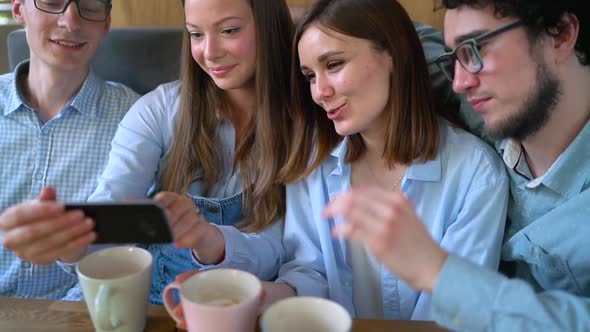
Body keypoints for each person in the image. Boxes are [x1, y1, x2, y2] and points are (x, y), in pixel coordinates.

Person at [314, 0, 589, 330]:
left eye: (477, 47)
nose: (460, 82)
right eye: (456, 55)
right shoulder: (476, 102)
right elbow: (394, 40)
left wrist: (437, 271)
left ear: (560, 35)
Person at [0, 0, 294, 304]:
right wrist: (70, 240)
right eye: (195, 34)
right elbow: (114, 204)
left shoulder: (305, 123)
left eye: (229, 30)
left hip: (244, 305)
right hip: (155, 303)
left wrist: (212, 241)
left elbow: (287, 248)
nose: (210, 52)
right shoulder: (158, 109)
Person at [240, 0, 508, 321]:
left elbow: (453, 312)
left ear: (392, 54)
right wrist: (264, 297)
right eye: (310, 75)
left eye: (334, 64)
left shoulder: (476, 174)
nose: (319, 91)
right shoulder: (313, 162)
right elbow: (311, 271)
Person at [0, 0, 138, 300]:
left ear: (106, 23)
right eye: (51, 2)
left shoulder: (136, 120)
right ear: (19, 9)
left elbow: (131, 251)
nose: (71, 22)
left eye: (89, 6)